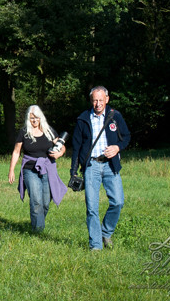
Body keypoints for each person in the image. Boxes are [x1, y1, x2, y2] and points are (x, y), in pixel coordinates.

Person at [70, 86, 131, 250]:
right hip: (91, 166)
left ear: (107, 99)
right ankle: (95, 246)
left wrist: (117, 148)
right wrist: (73, 171)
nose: (98, 104)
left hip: (111, 165)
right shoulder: (83, 119)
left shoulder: (115, 116)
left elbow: (126, 137)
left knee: (118, 202)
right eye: (95, 100)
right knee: (92, 208)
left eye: (101, 100)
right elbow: (76, 147)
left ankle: (105, 232)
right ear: (91, 100)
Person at [8, 105, 67, 232]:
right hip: (30, 169)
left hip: (47, 168)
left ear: (41, 118)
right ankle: (38, 231)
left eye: (36, 118)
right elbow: (16, 152)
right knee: (36, 202)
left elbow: (61, 146)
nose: (34, 121)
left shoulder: (49, 131)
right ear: (28, 119)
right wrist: (11, 170)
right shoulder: (24, 132)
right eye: (31, 118)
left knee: (45, 203)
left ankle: (38, 223)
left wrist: (59, 153)